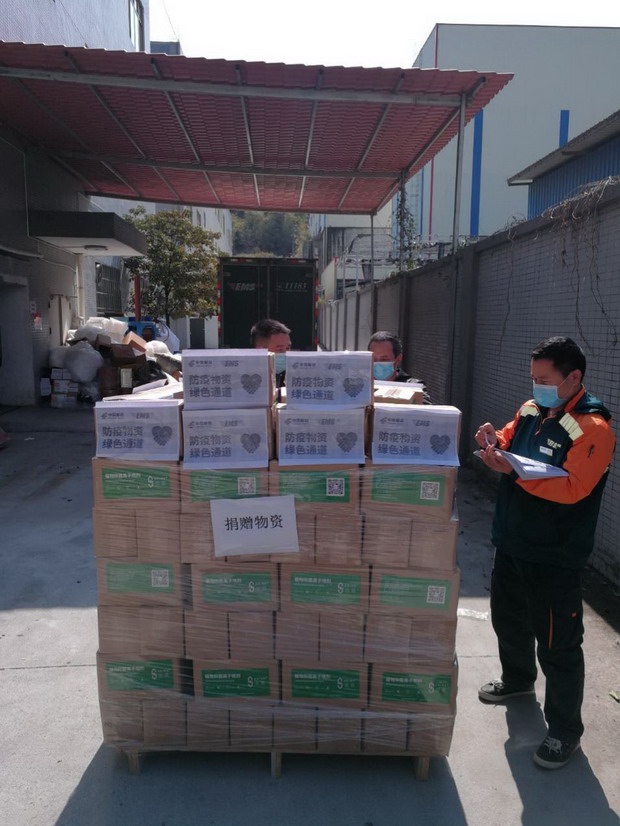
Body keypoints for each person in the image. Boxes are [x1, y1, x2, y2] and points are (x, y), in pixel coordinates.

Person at [474, 336, 615, 770]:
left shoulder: (593, 428)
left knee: (558, 646)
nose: (537, 386)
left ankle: (564, 731)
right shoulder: (531, 410)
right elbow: (509, 438)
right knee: (509, 620)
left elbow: (574, 487)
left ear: (574, 377)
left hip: (554, 554)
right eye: (534, 378)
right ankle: (518, 679)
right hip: (513, 540)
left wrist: (513, 472)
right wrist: (493, 441)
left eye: (546, 379)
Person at [367, 331, 431, 402]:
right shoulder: (363, 386)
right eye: (373, 359)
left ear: (398, 359)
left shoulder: (412, 386)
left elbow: (425, 405)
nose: (377, 364)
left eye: (384, 359)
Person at [250, 318, 291, 387]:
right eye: (280, 349)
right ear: (260, 350)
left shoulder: (291, 376)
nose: (286, 353)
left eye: (288, 348)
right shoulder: (250, 377)